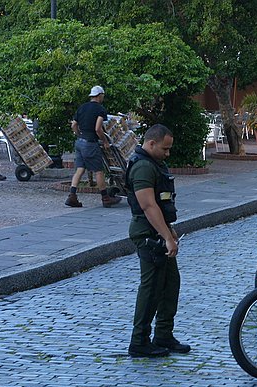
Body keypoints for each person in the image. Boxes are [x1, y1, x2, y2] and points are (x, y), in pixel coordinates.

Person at [126, 124, 190, 358]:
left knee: (170, 284)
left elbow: (160, 205)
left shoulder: (154, 164)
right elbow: (148, 205)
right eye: (165, 148)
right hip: (148, 235)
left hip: (158, 233)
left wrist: (170, 231)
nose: (168, 153)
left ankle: (163, 334)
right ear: (151, 143)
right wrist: (166, 237)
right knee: (151, 288)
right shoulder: (142, 167)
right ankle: (139, 341)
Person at [65, 85, 121, 208]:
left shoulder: (82, 107)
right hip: (90, 143)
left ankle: (72, 196)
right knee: (98, 171)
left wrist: (79, 134)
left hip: (80, 142)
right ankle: (105, 198)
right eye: (103, 96)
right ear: (99, 95)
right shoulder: (100, 109)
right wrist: (105, 141)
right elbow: (98, 128)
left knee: (80, 169)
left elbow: (74, 124)